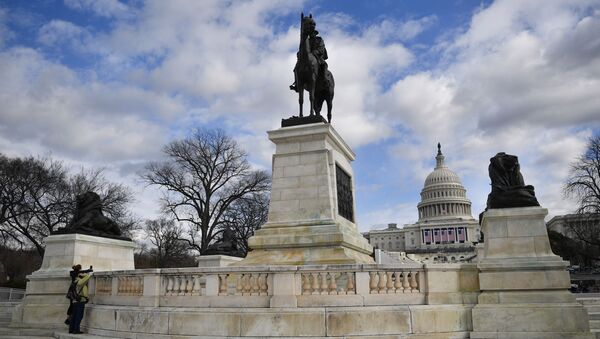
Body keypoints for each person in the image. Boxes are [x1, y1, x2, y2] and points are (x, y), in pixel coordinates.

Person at [68, 266, 92, 334]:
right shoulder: (78, 282)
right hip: (80, 300)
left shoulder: (74, 281)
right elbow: (87, 277)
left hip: (75, 301)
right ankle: (76, 330)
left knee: (74, 316)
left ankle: (71, 329)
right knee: (79, 316)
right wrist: (86, 273)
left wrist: (80, 273)